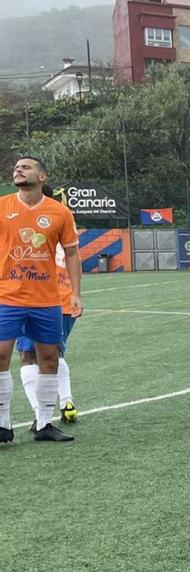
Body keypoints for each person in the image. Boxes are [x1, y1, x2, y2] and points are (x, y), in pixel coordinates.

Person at [0, 156, 83, 443]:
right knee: (1, 355)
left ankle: (45, 424)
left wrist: (75, 293)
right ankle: (3, 425)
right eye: (16, 168)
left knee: (49, 358)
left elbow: (72, 254)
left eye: (26, 167)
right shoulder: (2, 206)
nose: (19, 170)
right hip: (6, 296)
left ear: (42, 176)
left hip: (46, 299)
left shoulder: (59, 213)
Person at [17, 244, 81, 427]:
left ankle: (40, 414)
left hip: (33, 298)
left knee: (28, 357)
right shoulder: (62, 221)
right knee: (53, 353)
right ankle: (67, 403)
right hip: (65, 298)